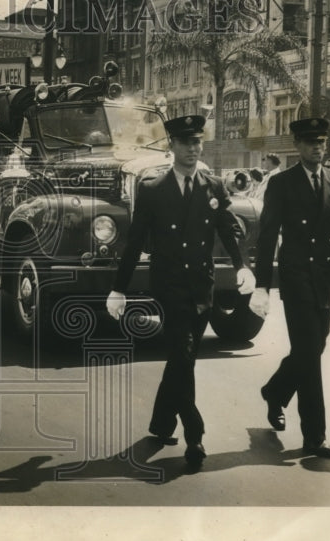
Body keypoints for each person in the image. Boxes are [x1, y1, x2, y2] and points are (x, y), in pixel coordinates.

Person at [106, 114, 255, 468]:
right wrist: (118, 289)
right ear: (171, 146)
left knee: (180, 360)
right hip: (170, 285)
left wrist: (242, 266)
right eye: (186, 142)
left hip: (202, 288)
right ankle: (195, 435)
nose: (193, 148)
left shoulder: (213, 186)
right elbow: (135, 242)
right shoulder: (154, 189)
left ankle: (160, 422)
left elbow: (228, 231)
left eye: (197, 142)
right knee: (184, 352)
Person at [250, 118, 330, 459]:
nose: (317, 148)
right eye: (310, 142)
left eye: (322, 142)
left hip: (324, 280)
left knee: (316, 345)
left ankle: (275, 390)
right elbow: (267, 236)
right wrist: (262, 286)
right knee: (310, 354)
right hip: (296, 278)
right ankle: (315, 435)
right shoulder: (282, 183)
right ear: (297, 146)